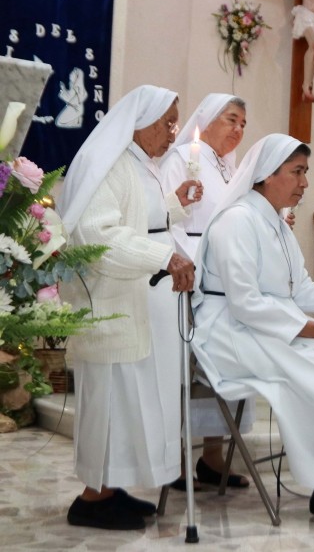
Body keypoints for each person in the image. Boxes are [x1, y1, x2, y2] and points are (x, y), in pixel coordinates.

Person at [190, 133, 314, 521]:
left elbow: (298, 290)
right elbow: (246, 304)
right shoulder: (237, 221)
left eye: (305, 172)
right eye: (297, 172)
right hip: (228, 334)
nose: (305, 182)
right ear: (268, 174)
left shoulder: (278, 226)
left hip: (267, 327)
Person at [59, 85, 199, 530]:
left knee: (133, 402)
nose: (173, 132)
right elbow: (96, 237)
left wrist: (176, 205)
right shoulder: (109, 166)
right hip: (115, 306)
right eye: (167, 122)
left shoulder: (143, 166)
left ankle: (112, 487)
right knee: (113, 401)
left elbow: (146, 219)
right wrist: (164, 257)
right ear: (139, 121)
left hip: (145, 306)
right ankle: (92, 499)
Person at [160, 93, 253, 490]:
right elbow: (168, 217)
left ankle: (213, 456)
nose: (238, 130)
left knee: (223, 365)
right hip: (192, 274)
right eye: (231, 119)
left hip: (226, 280)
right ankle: (178, 460)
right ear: (209, 120)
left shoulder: (232, 170)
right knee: (187, 368)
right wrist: (194, 260)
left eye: (244, 124)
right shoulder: (182, 160)